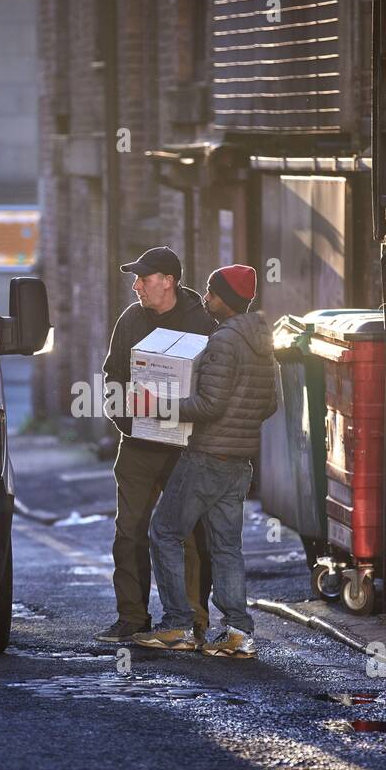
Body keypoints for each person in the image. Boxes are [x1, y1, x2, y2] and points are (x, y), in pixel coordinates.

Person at [133, 264, 278, 659]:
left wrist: (155, 405)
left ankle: (178, 624)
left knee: (164, 531)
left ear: (226, 300)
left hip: (207, 455)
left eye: (213, 293)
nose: (208, 300)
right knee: (227, 546)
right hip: (240, 460)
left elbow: (208, 405)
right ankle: (237, 634)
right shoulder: (263, 339)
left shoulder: (224, 341)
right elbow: (270, 403)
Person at [95, 246, 216, 644]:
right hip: (138, 446)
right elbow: (112, 375)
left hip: (186, 448)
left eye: (144, 279)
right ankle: (132, 617)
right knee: (129, 530)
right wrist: (127, 421)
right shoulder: (131, 319)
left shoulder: (205, 322)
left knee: (190, 534)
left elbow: (216, 385)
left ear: (168, 281)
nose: (136, 286)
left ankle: (192, 619)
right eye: (136, 279)